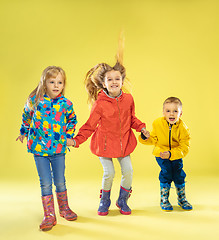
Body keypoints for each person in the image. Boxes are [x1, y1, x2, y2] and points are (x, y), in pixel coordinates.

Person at [72, 55, 149, 216]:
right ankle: (104, 200)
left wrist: (141, 128)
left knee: (128, 171)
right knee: (109, 173)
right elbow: (90, 126)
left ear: (122, 81)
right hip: (104, 144)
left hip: (123, 143)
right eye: (110, 79)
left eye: (117, 78)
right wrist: (76, 140)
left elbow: (132, 118)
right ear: (103, 83)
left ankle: (122, 200)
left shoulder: (128, 99)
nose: (114, 82)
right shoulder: (99, 104)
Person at [16, 66, 78, 231]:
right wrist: (23, 132)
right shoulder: (35, 99)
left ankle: (64, 209)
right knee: (45, 183)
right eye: (52, 82)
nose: (56, 85)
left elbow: (72, 119)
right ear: (45, 83)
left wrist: (68, 136)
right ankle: (49, 215)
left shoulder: (66, 103)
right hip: (39, 150)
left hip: (58, 151)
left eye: (59, 82)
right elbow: (26, 116)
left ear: (63, 85)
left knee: (60, 181)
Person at [139, 97, 193, 211]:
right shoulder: (158, 123)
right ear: (163, 112)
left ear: (181, 113)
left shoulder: (183, 128)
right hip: (161, 154)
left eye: (175, 111)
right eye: (168, 111)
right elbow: (153, 139)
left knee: (178, 174)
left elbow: (184, 147)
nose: (171, 114)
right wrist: (145, 137)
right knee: (167, 172)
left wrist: (171, 154)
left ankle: (181, 198)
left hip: (176, 155)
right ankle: (164, 199)